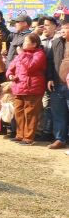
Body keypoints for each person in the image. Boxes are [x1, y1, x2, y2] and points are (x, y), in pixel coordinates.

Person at [6, 33, 47, 145]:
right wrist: (10, 74)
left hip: (32, 87)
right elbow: (11, 67)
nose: (23, 43)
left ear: (34, 44)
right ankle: (20, 135)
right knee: (19, 112)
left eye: (26, 41)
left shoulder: (39, 54)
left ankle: (28, 137)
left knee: (30, 113)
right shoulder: (22, 54)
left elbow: (30, 67)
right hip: (19, 86)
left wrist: (22, 55)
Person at [46, 20, 69, 149]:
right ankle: (60, 139)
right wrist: (49, 78)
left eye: (65, 29)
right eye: (61, 30)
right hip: (58, 84)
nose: (62, 32)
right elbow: (49, 62)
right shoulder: (56, 42)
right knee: (58, 113)